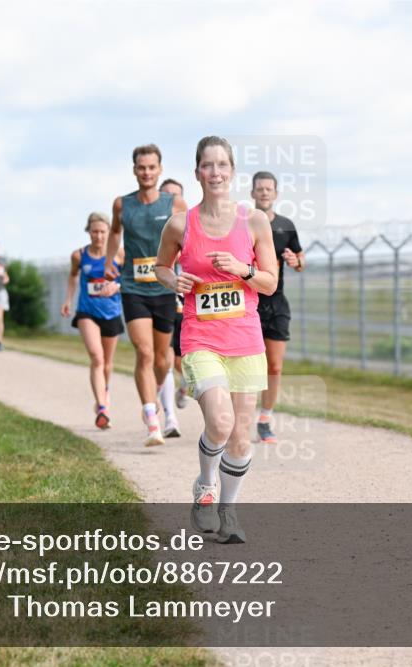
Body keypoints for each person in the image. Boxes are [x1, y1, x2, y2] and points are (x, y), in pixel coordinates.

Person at [155, 136, 278, 544]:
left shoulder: (255, 222)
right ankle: (205, 486)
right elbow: (161, 268)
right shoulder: (179, 224)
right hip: (200, 337)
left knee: (241, 437)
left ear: (233, 171)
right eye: (207, 166)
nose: (215, 173)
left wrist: (243, 270)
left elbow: (270, 283)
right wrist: (176, 279)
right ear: (197, 173)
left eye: (222, 165)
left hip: (245, 339)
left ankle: (228, 513)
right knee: (220, 422)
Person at [104, 144, 187, 446]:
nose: (147, 173)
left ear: (160, 169)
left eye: (152, 167)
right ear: (134, 170)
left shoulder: (175, 204)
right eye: (141, 167)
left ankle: (157, 392)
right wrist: (109, 262)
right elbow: (114, 233)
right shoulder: (122, 205)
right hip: (133, 287)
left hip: (164, 287)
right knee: (145, 352)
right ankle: (151, 417)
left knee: (164, 360)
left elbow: (189, 238)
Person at [251, 171, 306, 444]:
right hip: (249, 301)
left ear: (275, 193)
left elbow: (300, 260)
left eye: (268, 189)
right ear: (252, 193)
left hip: (277, 303)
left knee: (274, 366)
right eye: (259, 189)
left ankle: (264, 419)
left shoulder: (286, 225)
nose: (264, 193)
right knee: (248, 365)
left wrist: (295, 260)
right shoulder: (244, 223)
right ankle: (234, 418)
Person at [62, 212, 125, 430]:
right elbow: (72, 276)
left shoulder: (119, 255)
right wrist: (68, 300)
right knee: (97, 358)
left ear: (109, 232)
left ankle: (104, 392)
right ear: (88, 232)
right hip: (87, 312)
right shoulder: (79, 256)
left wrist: (117, 285)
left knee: (107, 363)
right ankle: (102, 408)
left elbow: (128, 279)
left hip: (111, 312)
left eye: (102, 232)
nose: (98, 236)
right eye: (94, 232)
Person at [160, 178, 189, 409]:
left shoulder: (191, 228)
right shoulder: (152, 230)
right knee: (164, 358)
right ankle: (166, 415)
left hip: (184, 306)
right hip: (157, 302)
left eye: (175, 196)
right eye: (165, 195)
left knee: (182, 362)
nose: (170, 200)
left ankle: (184, 384)